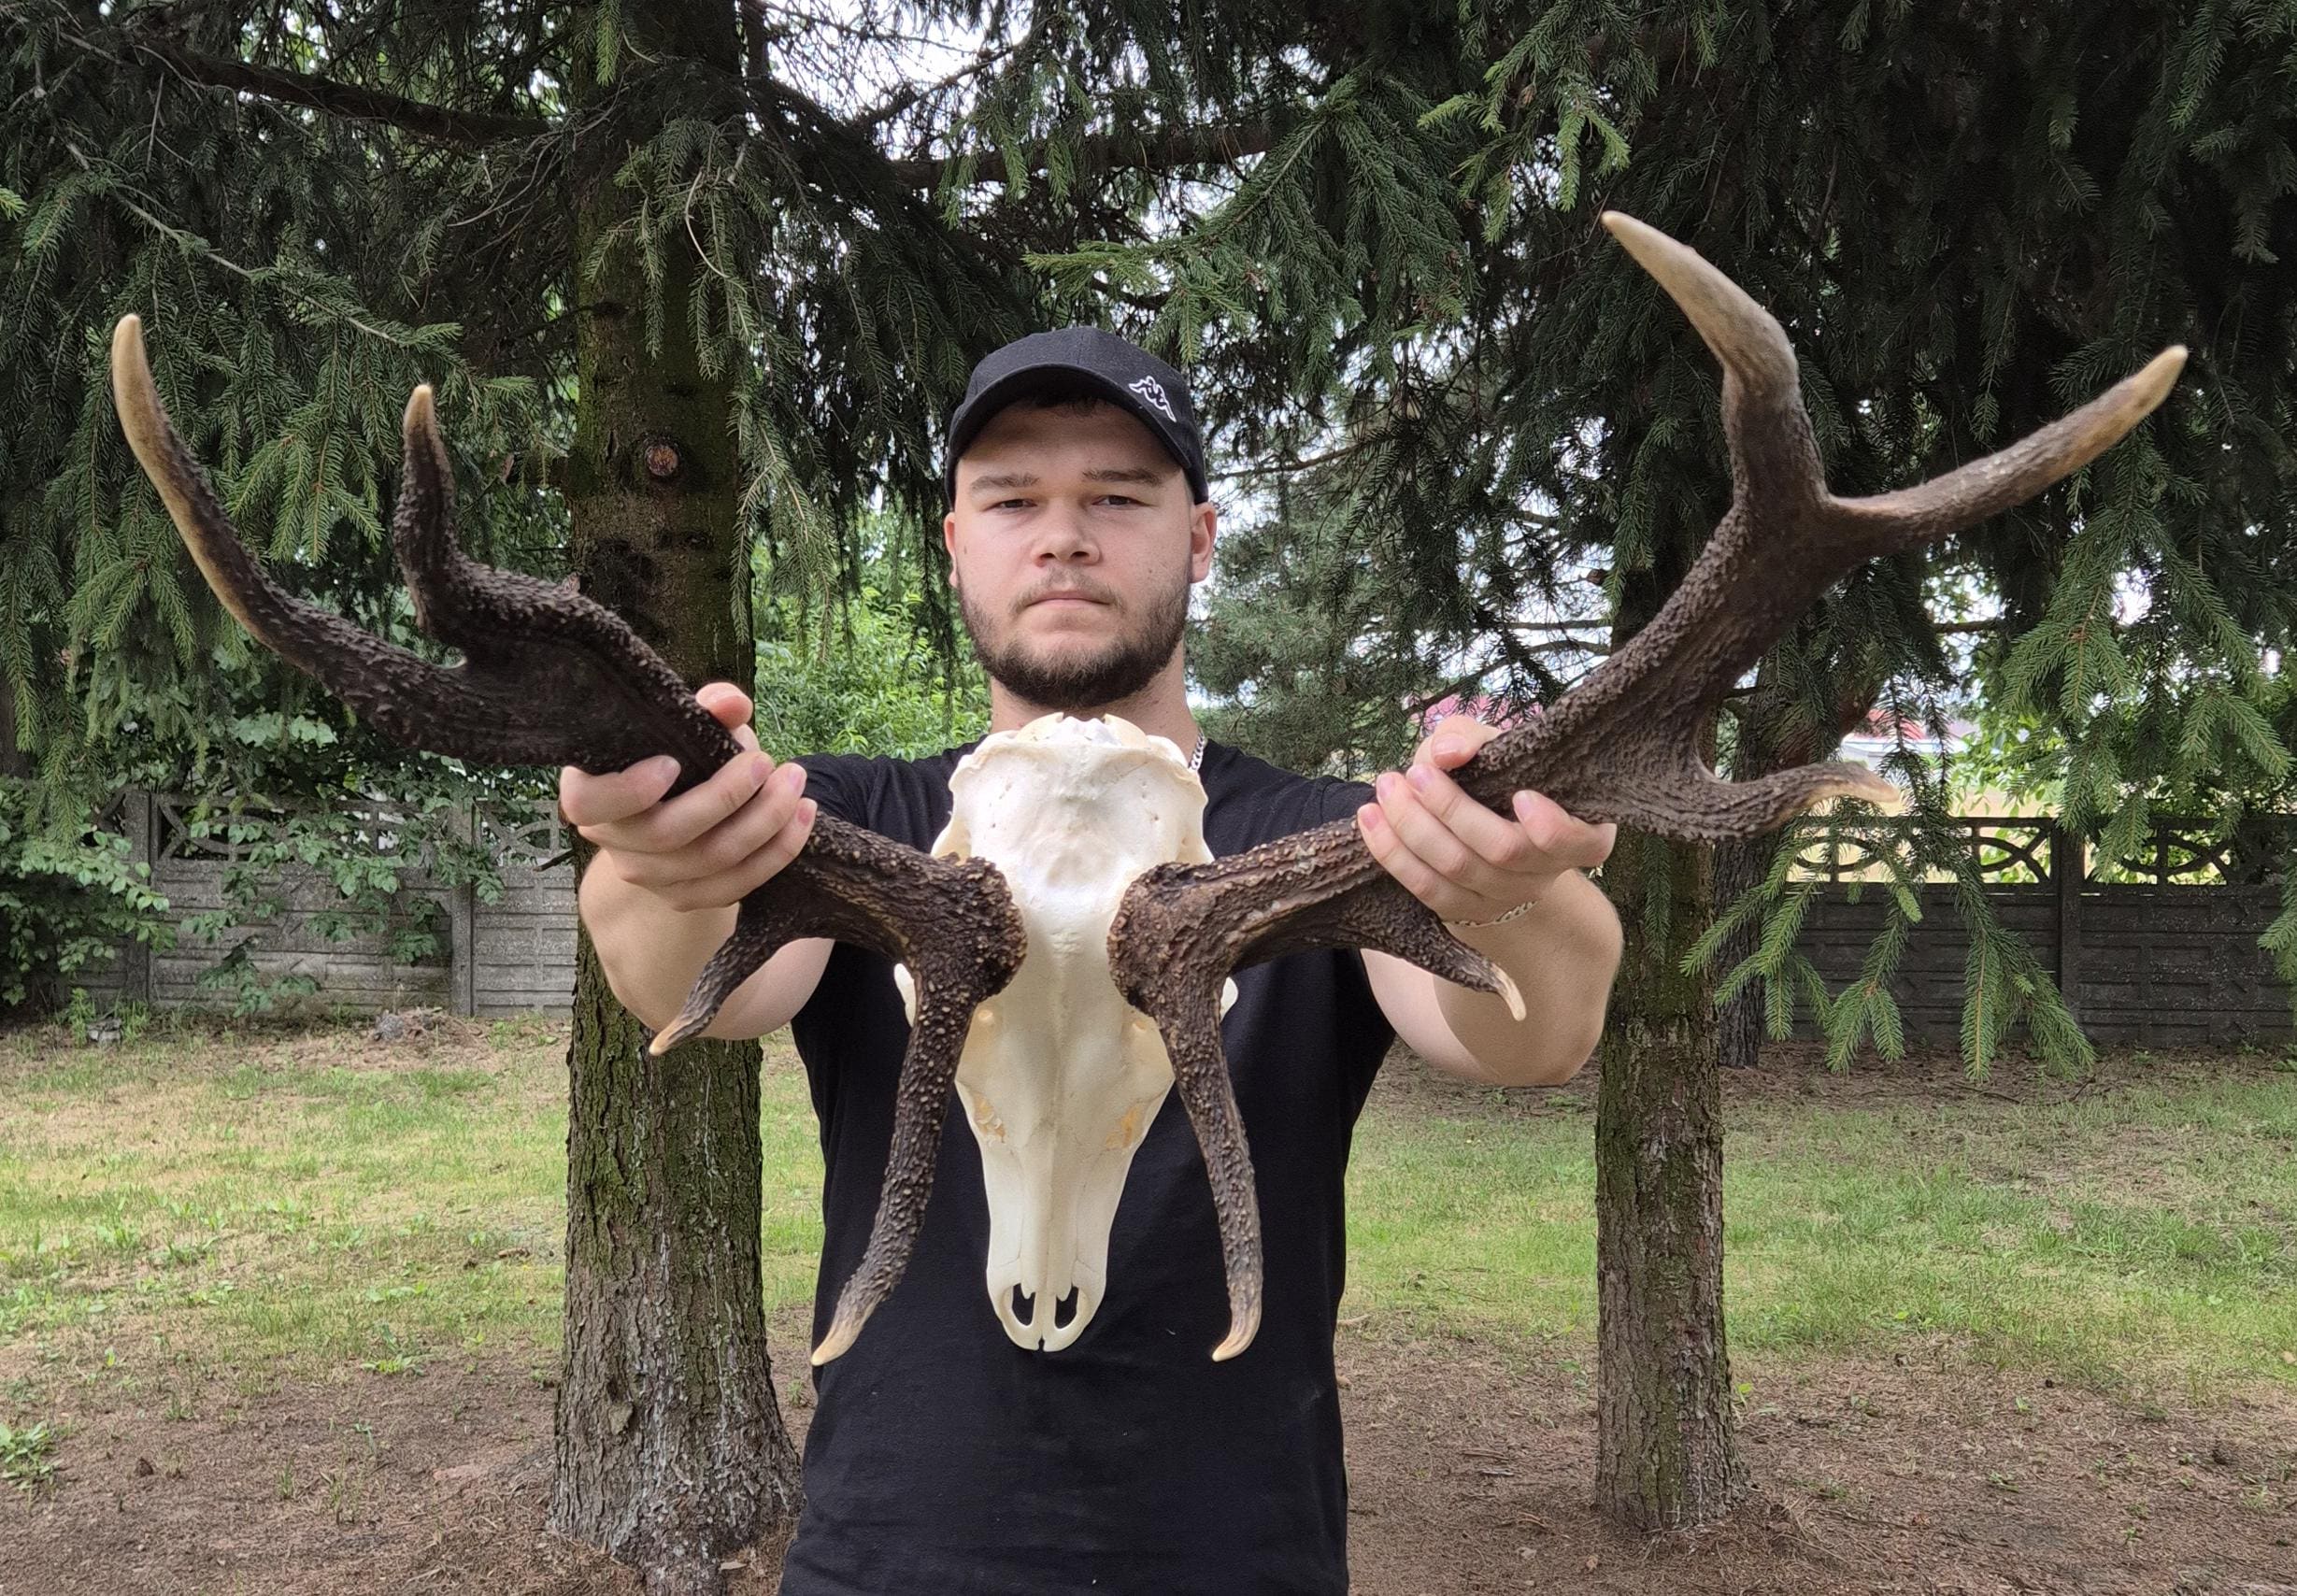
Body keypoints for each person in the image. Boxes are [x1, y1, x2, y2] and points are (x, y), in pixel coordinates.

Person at [562, 327, 1625, 1594]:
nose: (1063, 535)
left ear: (1199, 538)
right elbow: (669, 963)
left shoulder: (1336, 840)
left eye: (1117, 497)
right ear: (955, 544)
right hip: (887, 1560)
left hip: (1239, 1561)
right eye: (1012, 499)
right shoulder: (843, 831)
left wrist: (1505, 883)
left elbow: (1533, 1031)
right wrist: (660, 853)